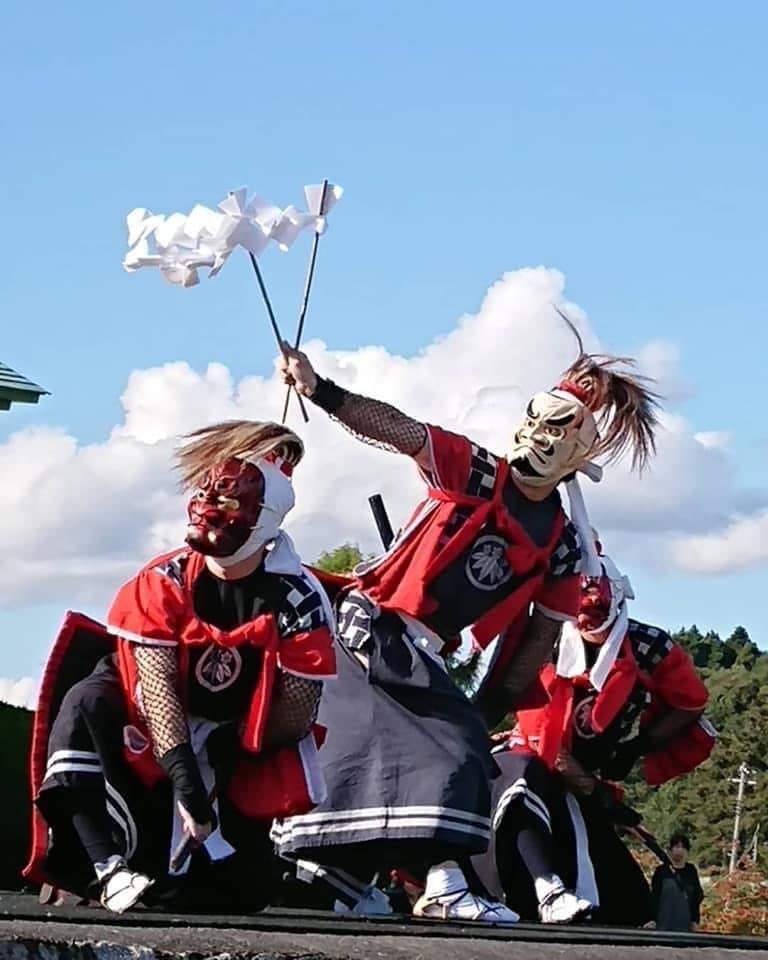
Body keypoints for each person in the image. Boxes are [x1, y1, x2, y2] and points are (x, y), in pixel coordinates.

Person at [272, 334, 659, 922]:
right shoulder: (478, 473)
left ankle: (346, 877)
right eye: (538, 420)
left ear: (583, 449)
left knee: (419, 750)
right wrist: (321, 390)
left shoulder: (559, 543)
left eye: (560, 429)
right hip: (370, 621)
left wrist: (487, 707)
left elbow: (536, 640)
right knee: (450, 748)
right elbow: (401, 430)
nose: (540, 436)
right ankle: (443, 885)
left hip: (418, 647)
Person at [26, 421, 336, 914]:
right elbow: (158, 695)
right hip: (142, 723)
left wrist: (228, 747)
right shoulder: (163, 579)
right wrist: (190, 788)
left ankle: (164, 874)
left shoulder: (299, 599)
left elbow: (296, 713)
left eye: (232, 502)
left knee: (245, 892)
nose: (214, 511)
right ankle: (104, 866)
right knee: (84, 700)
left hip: (228, 740)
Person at [473, 543, 715, 925]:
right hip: (531, 764)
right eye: (581, 614)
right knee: (523, 781)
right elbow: (546, 746)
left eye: (597, 614)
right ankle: (545, 887)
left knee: (631, 906)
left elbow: (691, 703)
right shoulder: (547, 645)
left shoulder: (649, 646)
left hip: (581, 782)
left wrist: (640, 745)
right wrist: (598, 793)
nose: (588, 626)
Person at [650, 833, 704, 932]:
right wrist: (652, 919)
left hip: (685, 923)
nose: (680, 850)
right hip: (663, 922)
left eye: (683, 847)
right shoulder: (661, 871)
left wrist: (695, 920)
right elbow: (654, 896)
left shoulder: (691, 871)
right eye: (677, 846)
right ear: (670, 850)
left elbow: (696, 897)